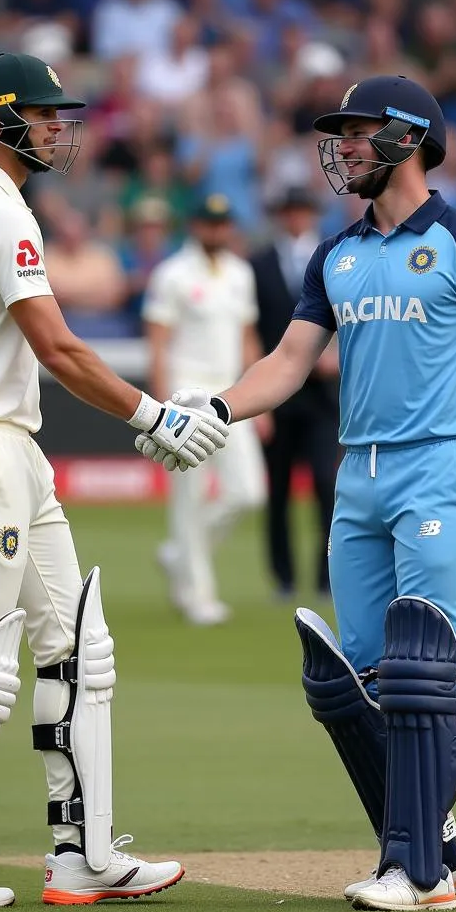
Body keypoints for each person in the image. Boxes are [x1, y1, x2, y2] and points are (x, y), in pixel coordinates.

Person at [135, 75, 456, 911]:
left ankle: (416, 873)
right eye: (341, 134)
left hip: (445, 463)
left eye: (361, 132)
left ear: (411, 138)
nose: (345, 147)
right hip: (359, 474)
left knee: (424, 674)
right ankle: (441, 849)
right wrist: (213, 407)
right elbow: (288, 362)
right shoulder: (339, 254)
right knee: (355, 683)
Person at [0, 52, 230, 910]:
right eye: (45, 113)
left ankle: (82, 856)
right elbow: (58, 350)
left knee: (74, 646)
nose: (61, 127)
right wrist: (154, 417)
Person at [142, 193, 267, 627]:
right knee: (190, 499)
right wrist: (160, 411)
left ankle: (179, 555)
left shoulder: (240, 273)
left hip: (231, 398)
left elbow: (248, 338)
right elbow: (157, 343)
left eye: (224, 224)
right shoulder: (172, 274)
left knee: (248, 493)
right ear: (195, 226)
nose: (217, 231)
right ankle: (197, 595)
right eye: (209, 224)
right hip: (184, 398)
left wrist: (261, 399)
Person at [249, 185, 339, 599]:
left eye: (302, 210)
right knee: (278, 490)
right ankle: (283, 579)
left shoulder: (335, 259)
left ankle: (326, 576)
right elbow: (250, 328)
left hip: (322, 397)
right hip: (277, 392)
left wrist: (334, 355)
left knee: (327, 484)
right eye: (290, 211)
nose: (296, 218)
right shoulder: (259, 264)